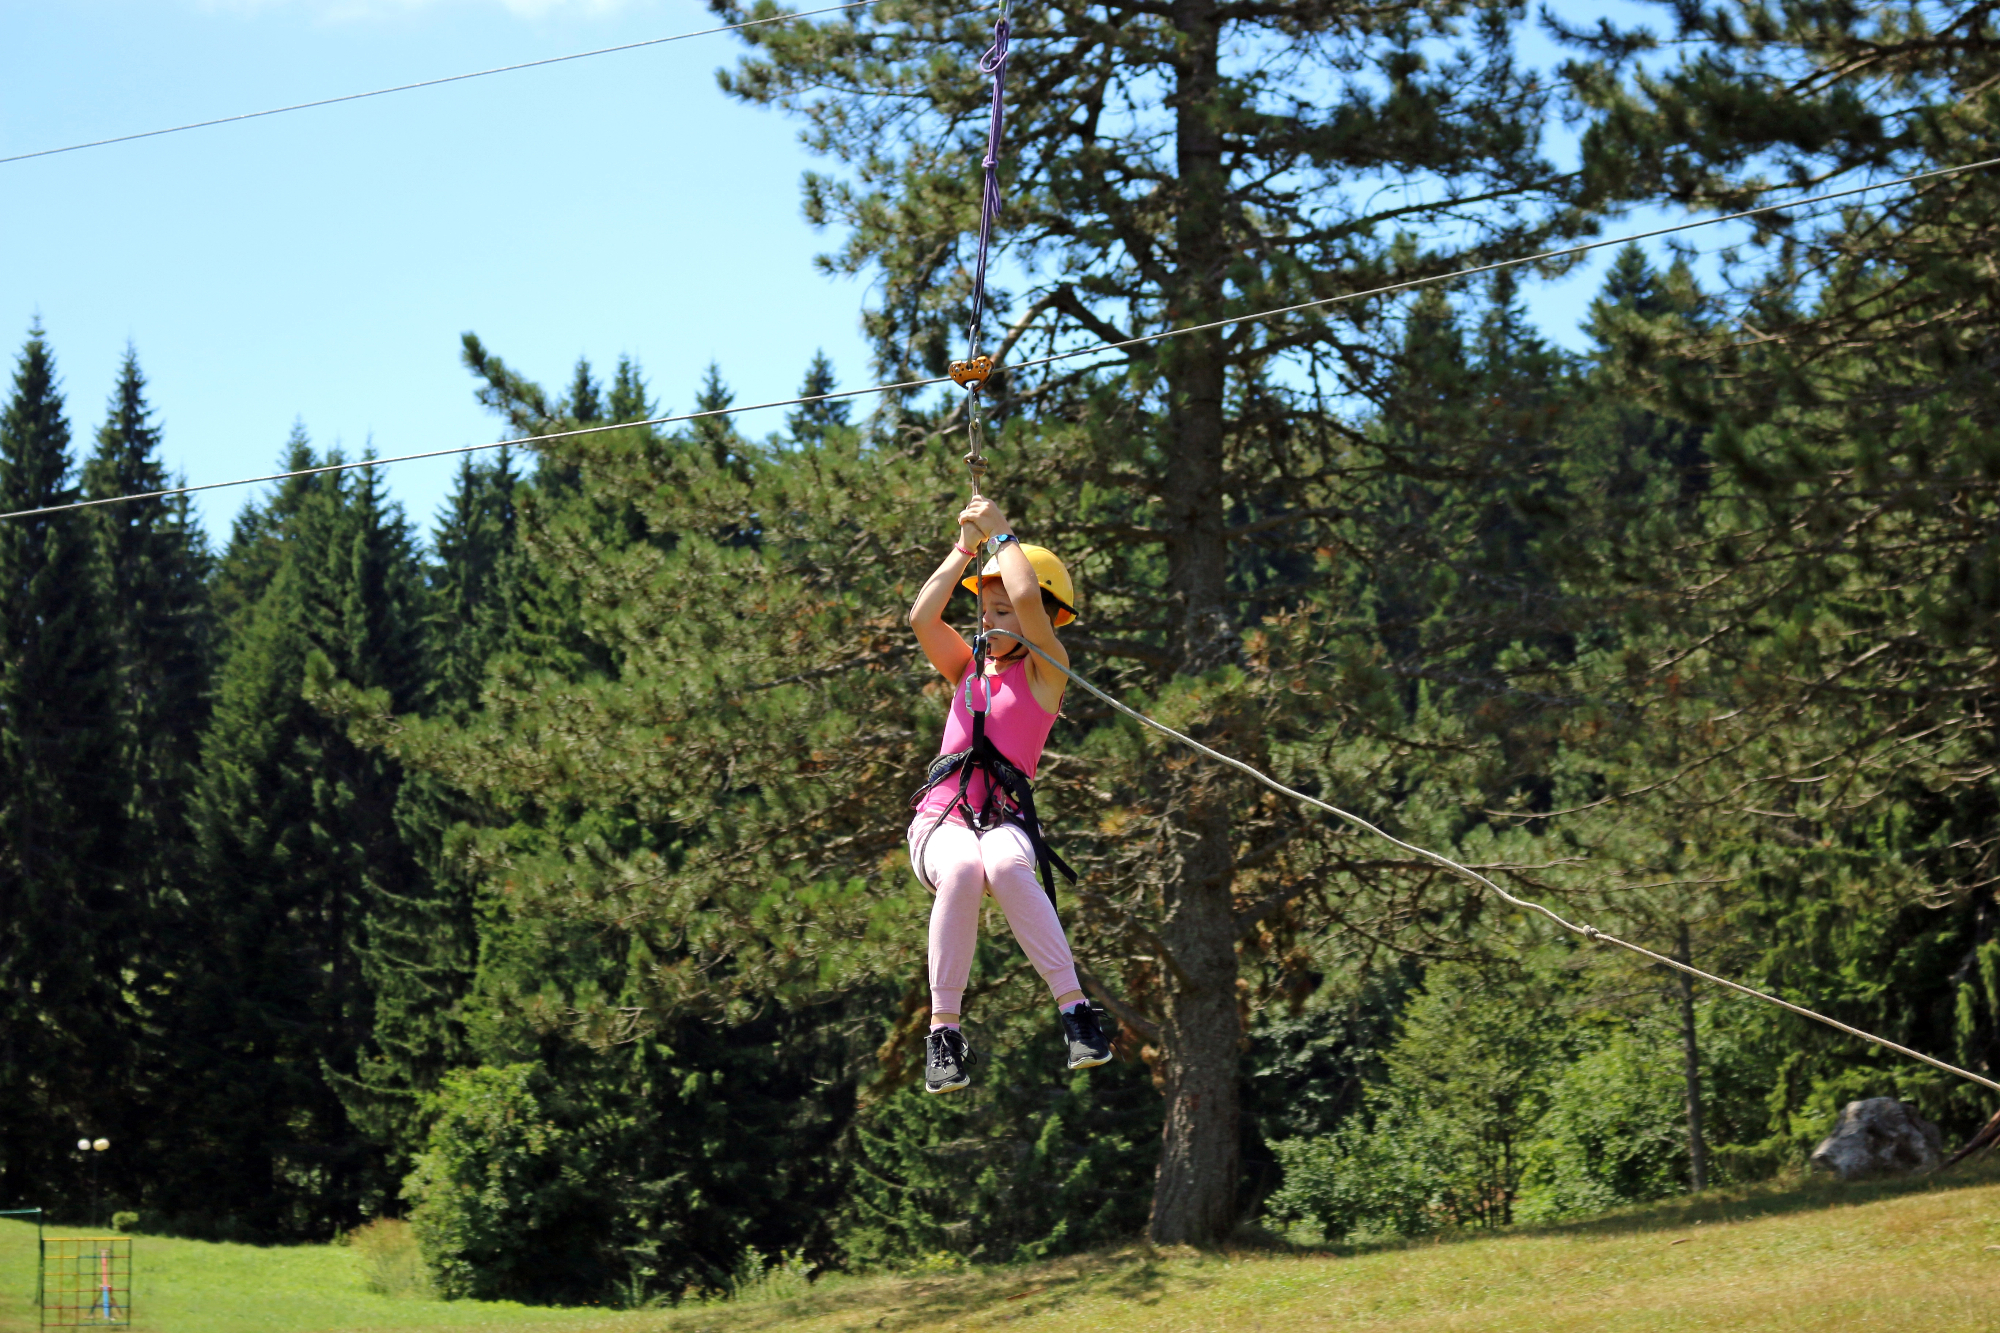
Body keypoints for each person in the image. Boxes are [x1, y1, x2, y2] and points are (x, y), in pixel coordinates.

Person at [905, 494, 1112, 1094]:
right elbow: (924, 617)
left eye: (1005, 611)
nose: (992, 619)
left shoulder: (1048, 673)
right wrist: (965, 548)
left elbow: (1028, 599)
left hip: (1003, 821)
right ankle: (944, 1032)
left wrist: (1003, 533)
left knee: (1001, 860)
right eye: (984, 609)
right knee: (967, 868)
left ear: (1040, 623)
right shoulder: (966, 668)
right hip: (941, 821)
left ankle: (1075, 1012)